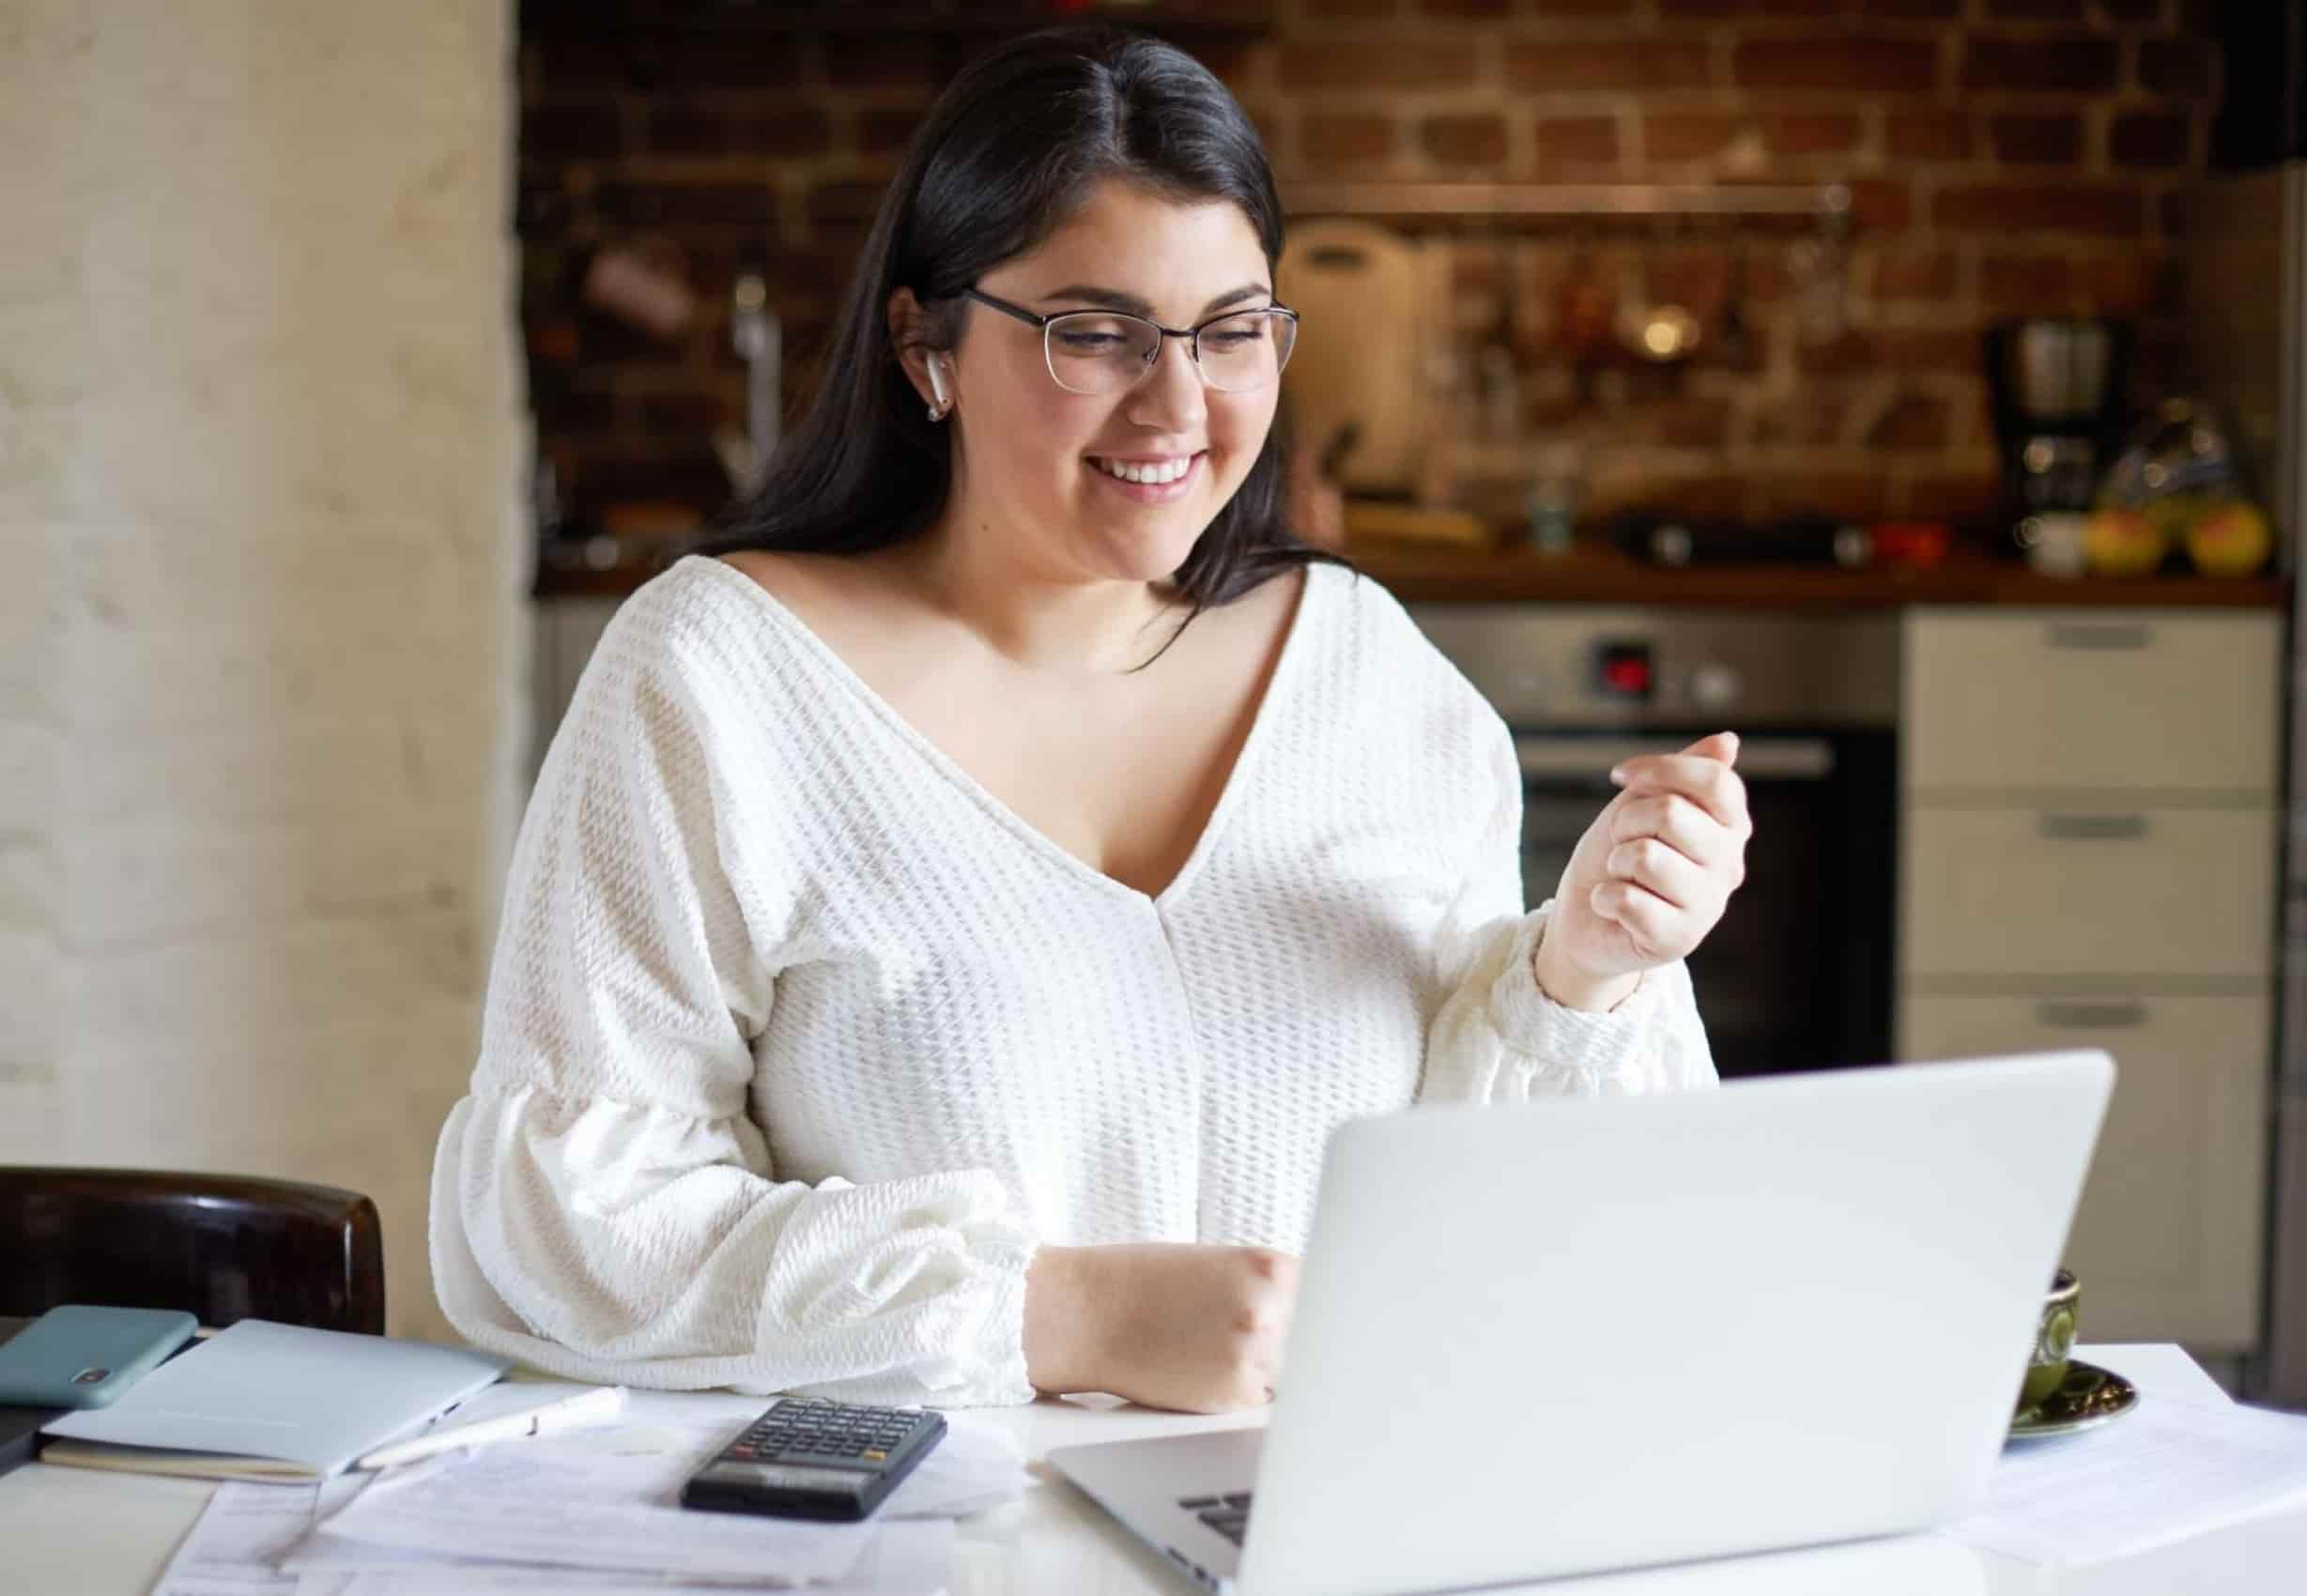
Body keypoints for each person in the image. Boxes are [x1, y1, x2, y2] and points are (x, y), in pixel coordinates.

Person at [429, 27, 1749, 1416]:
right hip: (909, 1521)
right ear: (924, 346)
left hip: (1311, 1509)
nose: (1178, 406)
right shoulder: (718, 677)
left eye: (1231, 331)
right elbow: (573, 1221)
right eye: (1097, 334)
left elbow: (1477, 1226)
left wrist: (1584, 972)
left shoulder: (1367, 672)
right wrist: (1064, 1318)